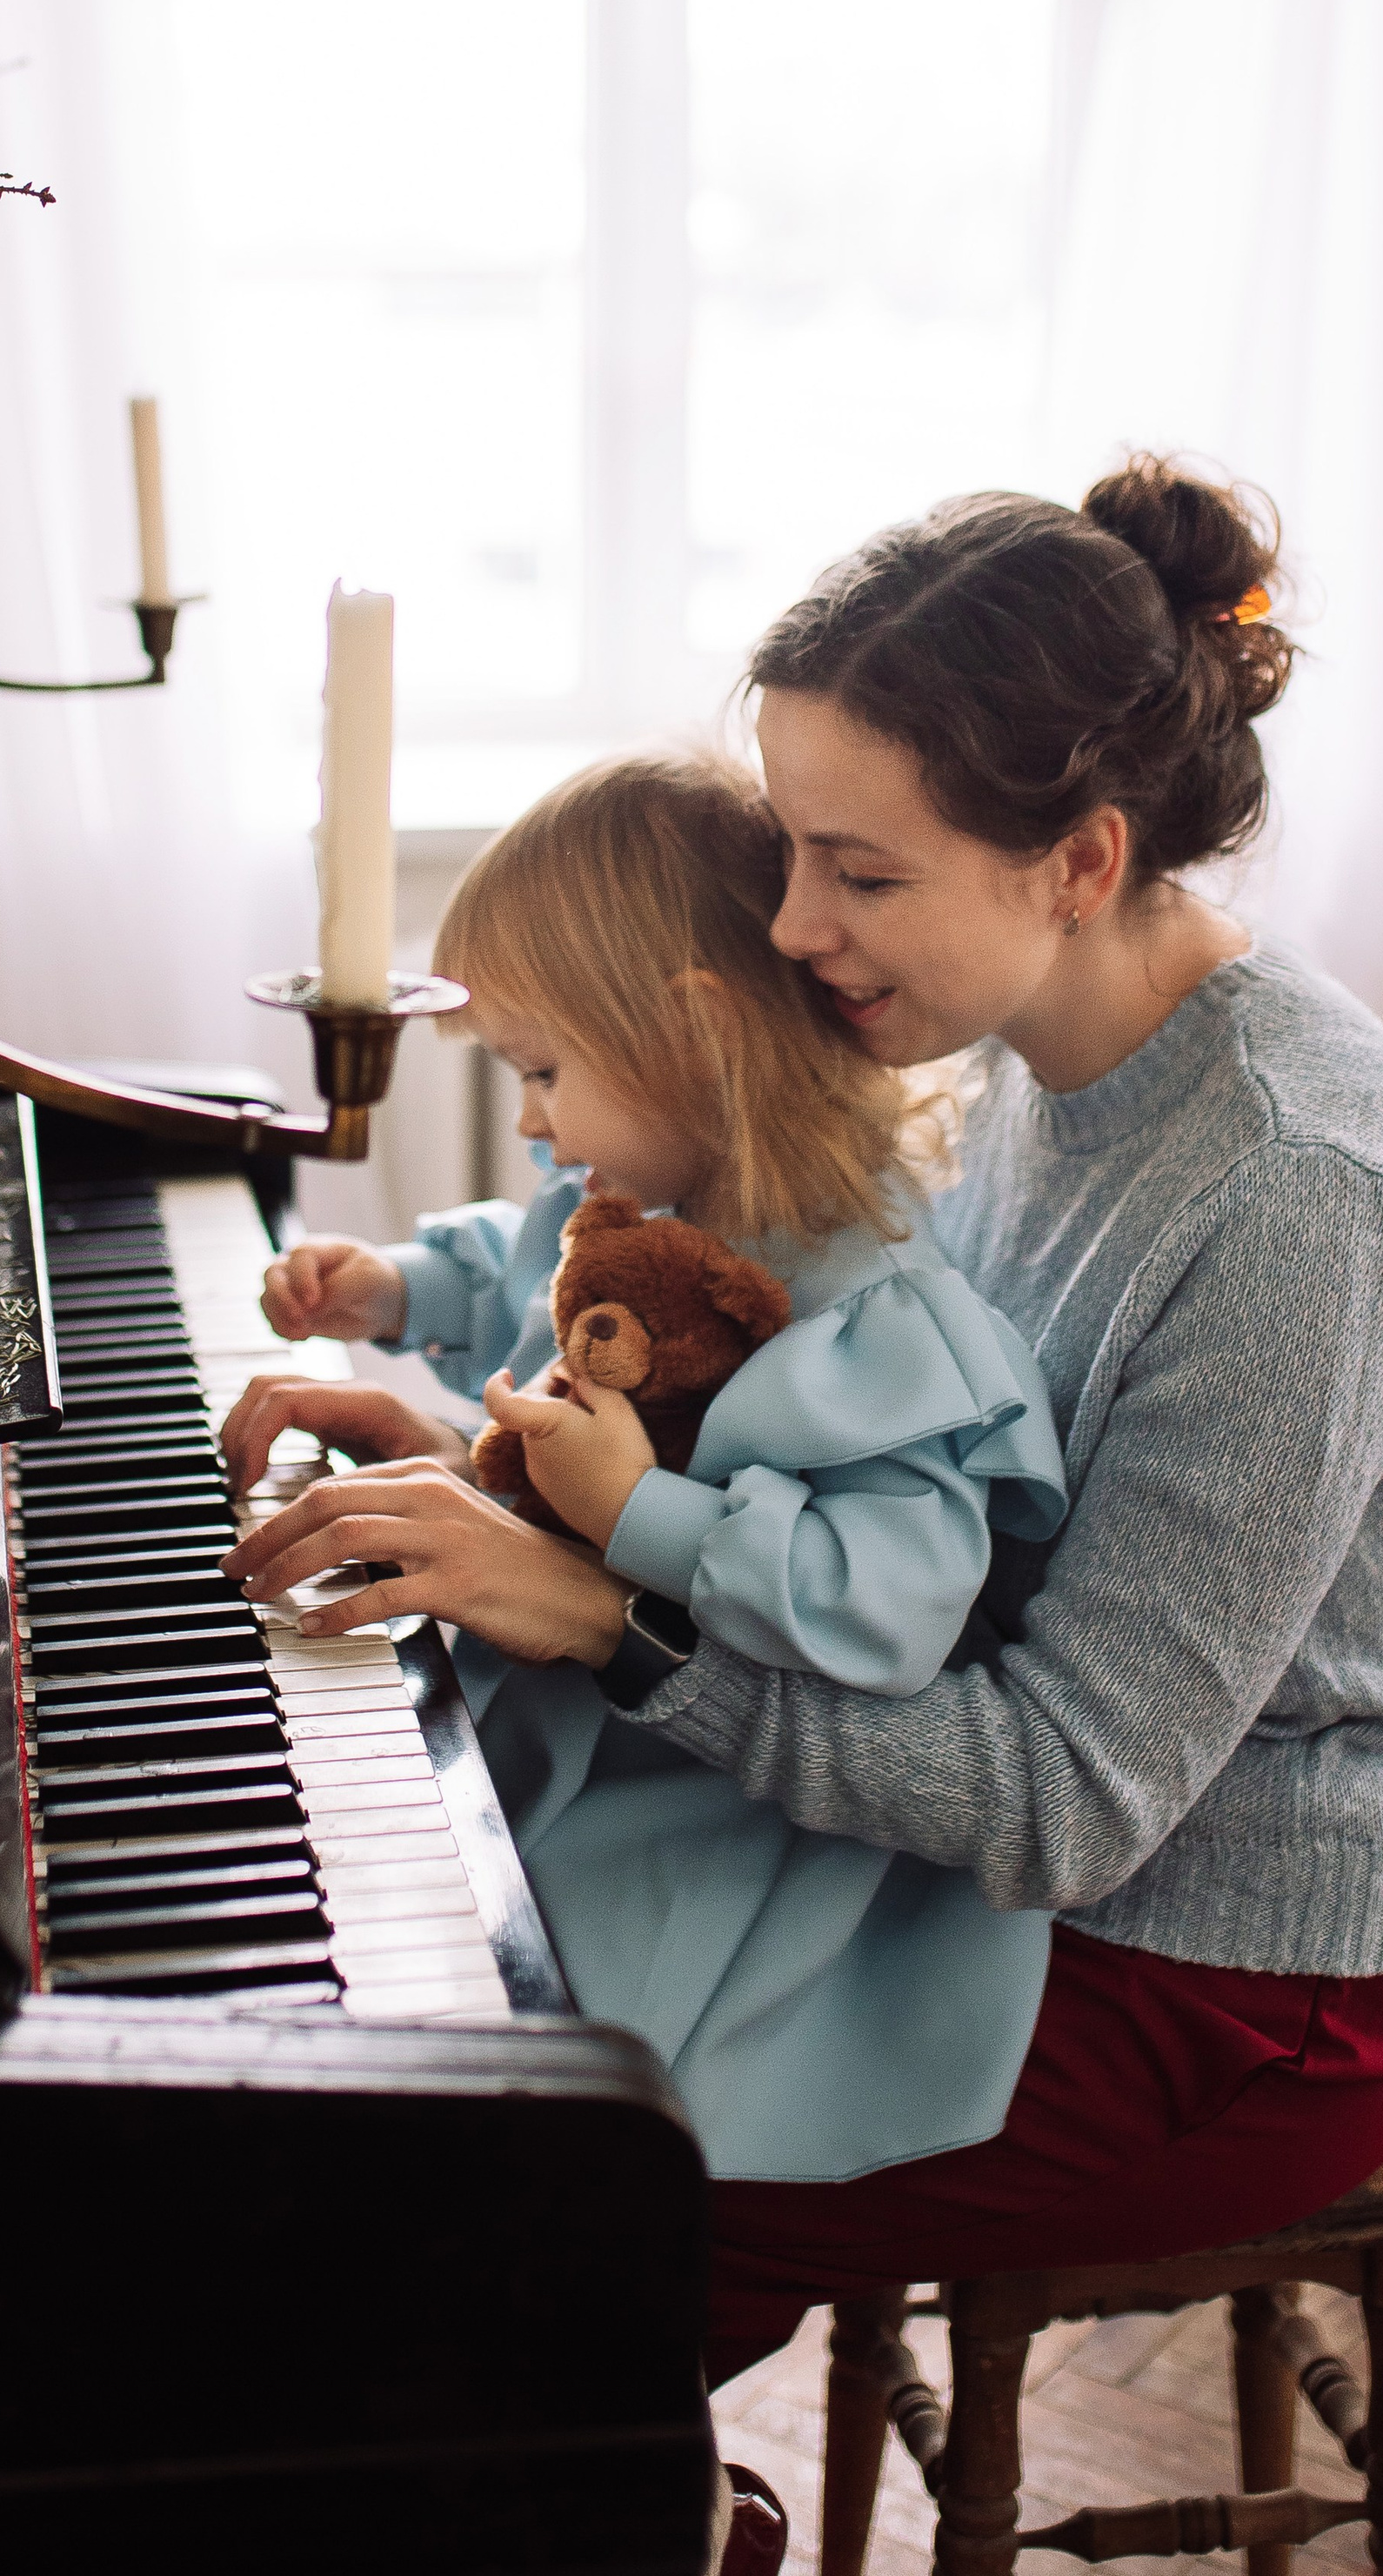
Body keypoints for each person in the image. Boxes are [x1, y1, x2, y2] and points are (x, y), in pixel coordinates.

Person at [221, 457, 1383, 2395]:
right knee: (453, 2007)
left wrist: (600, 1614)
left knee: (559, 2191)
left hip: (1232, 1976)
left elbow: (1062, 1799)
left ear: (1077, 861)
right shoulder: (1007, 1049)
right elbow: (815, 1422)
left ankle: (577, 2492)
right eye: (792, 848)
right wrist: (472, 1461)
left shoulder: (1294, 1195)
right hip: (987, 1848)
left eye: (861, 870)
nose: (791, 920)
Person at [260, 754, 1070, 2185]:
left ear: (693, 1033)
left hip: (747, 1831)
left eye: (543, 1070)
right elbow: (521, 1264)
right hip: (602, 1727)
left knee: (471, 2078)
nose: (530, 1119)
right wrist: (392, 1287)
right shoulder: (640, 1199)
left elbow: (885, 1609)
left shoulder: (875, 1313)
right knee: (347, 1879)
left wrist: (635, 1511)